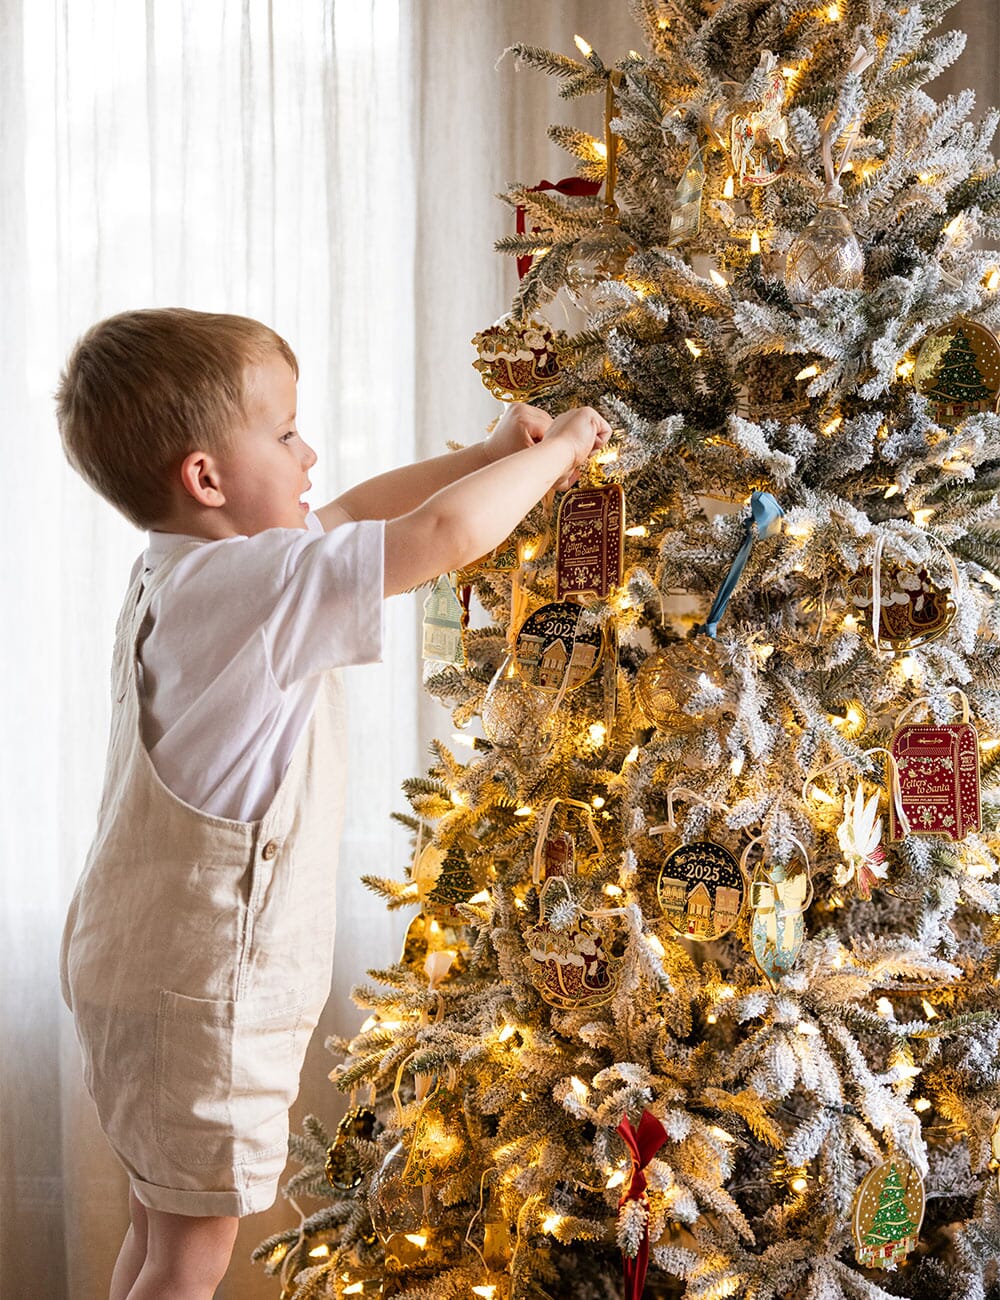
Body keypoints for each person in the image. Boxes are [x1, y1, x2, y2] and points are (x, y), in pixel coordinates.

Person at [56, 307, 611, 1299]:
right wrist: (563, 448)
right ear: (206, 478)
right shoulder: (257, 587)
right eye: (282, 434)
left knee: (158, 1222)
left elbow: (355, 512)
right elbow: (440, 536)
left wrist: (485, 449)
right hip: (204, 994)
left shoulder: (186, 571)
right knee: (193, 1255)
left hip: (134, 968)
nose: (306, 452)